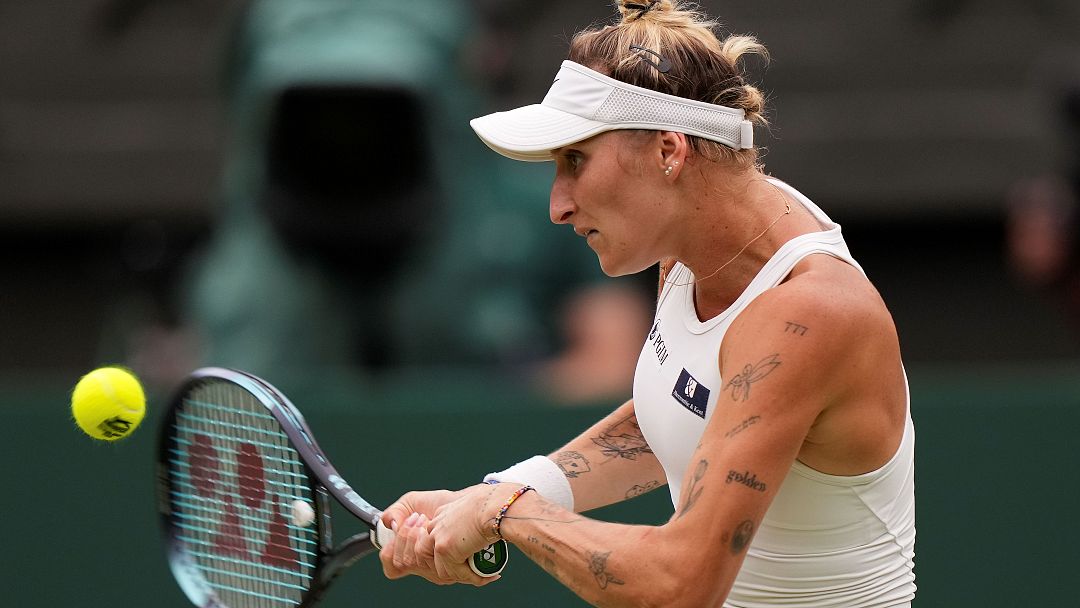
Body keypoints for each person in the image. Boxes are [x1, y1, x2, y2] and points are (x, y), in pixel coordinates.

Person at [378, 1, 917, 606]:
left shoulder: (809, 313)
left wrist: (508, 513)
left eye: (574, 161)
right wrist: (504, 490)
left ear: (669, 151)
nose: (557, 204)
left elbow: (680, 586)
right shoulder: (698, 247)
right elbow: (689, 408)